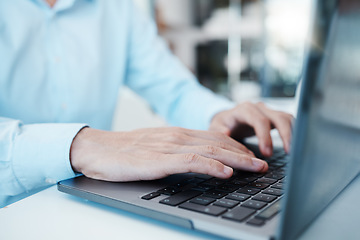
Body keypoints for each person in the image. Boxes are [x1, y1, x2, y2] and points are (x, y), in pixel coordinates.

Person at [0, 0, 293, 208]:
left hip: (90, 205)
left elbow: (174, 89)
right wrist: (78, 145)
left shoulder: (117, 8)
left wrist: (220, 115)